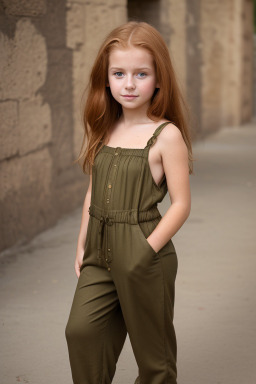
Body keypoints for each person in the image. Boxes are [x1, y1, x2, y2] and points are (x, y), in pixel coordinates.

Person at [65, 21, 193, 384]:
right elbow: (94, 191)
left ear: (158, 79)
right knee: (82, 332)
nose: (130, 84)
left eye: (141, 73)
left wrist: (144, 250)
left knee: (154, 358)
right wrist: (81, 244)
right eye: (119, 73)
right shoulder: (106, 126)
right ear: (106, 78)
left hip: (144, 251)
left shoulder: (167, 136)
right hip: (98, 252)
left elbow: (181, 204)